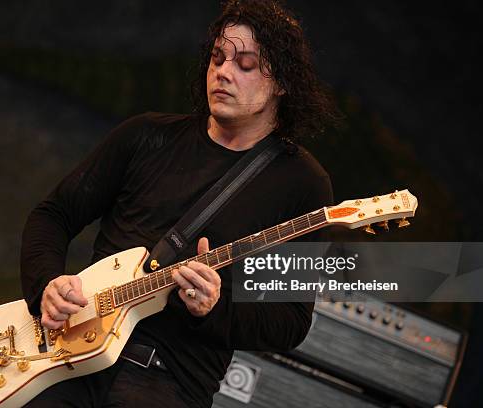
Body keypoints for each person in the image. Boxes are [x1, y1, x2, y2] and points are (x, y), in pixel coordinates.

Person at [20, 1, 340, 407]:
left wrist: (213, 308)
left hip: (166, 381)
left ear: (281, 82)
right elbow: (54, 214)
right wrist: (46, 284)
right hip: (69, 359)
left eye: (245, 64)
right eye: (217, 58)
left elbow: (291, 322)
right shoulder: (146, 136)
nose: (223, 72)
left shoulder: (303, 185)